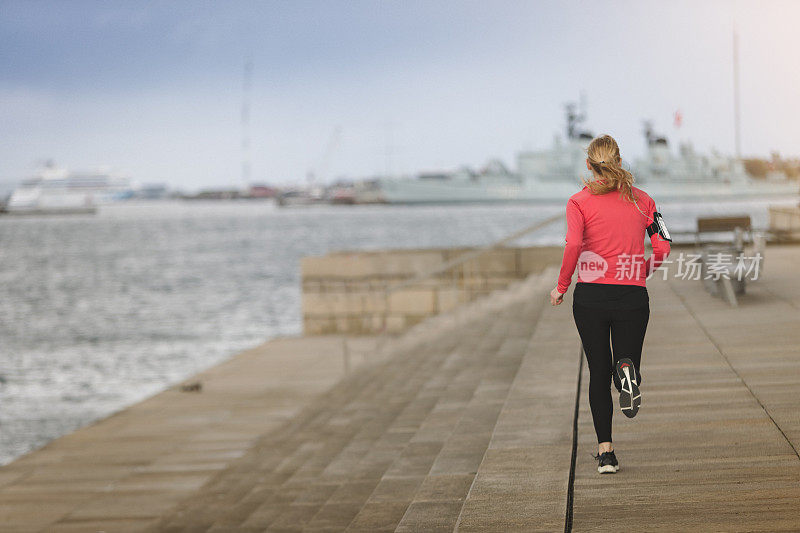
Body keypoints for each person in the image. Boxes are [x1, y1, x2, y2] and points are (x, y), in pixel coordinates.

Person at [549, 134, 671, 474]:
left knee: (598, 372)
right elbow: (662, 248)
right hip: (632, 295)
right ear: (618, 161)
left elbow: (573, 245)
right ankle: (628, 375)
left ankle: (606, 454)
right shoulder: (644, 200)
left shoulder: (578, 202)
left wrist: (561, 286)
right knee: (625, 362)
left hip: (590, 297)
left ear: (589, 164)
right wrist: (643, 271)